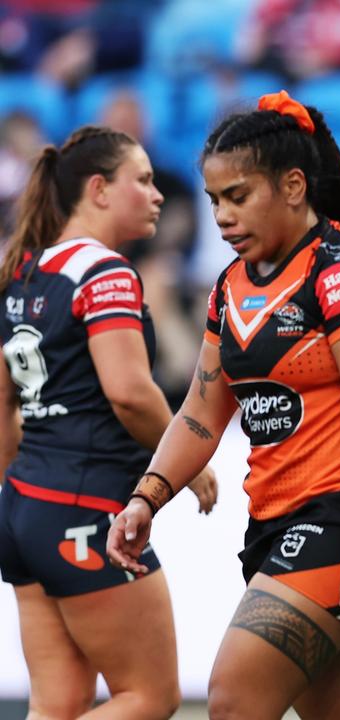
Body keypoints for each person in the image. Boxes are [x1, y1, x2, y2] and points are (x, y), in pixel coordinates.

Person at [106, 91, 340, 719]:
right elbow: (200, 411)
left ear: (294, 186)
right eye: (215, 199)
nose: (221, 216)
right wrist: (146, 498)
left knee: (234, 697)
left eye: (239, 197)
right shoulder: (229, 287)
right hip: (272, 525)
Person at [0, 125, 217, 719]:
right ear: (99, 189)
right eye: (142, 181)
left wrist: (19, 487)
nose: (157, 195)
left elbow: (2, 400)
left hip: (23, 507)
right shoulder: (106, 274)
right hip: (85, 504)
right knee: (149, 697)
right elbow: (129, 393)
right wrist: (186, 461)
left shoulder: (24, 273)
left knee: (57, 704)